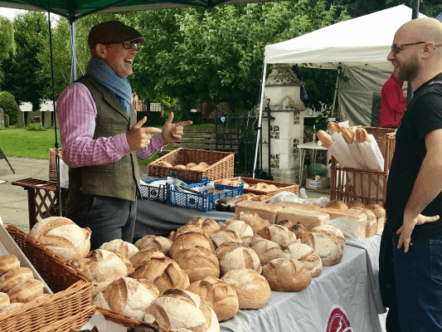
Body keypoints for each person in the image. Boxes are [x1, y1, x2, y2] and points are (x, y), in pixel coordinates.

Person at [56, 21, 192, 250]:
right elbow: (73, 152)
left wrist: (162, 139)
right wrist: (124, 141)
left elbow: (129, 153)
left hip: (126, 203)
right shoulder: (80, 92)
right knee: (102, 278)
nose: (134, 51)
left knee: (121, 272)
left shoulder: (121, 93)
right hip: (95, 204)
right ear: (101, 50)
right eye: (127, 44)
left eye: (135, 46)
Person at [382, 17, 442, 332]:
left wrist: (410, 211)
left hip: (422, 243)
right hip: (426, 243)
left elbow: (441, 158)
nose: (391, 56)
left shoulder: (430, 99)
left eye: (397, 48)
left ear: (426, 50)